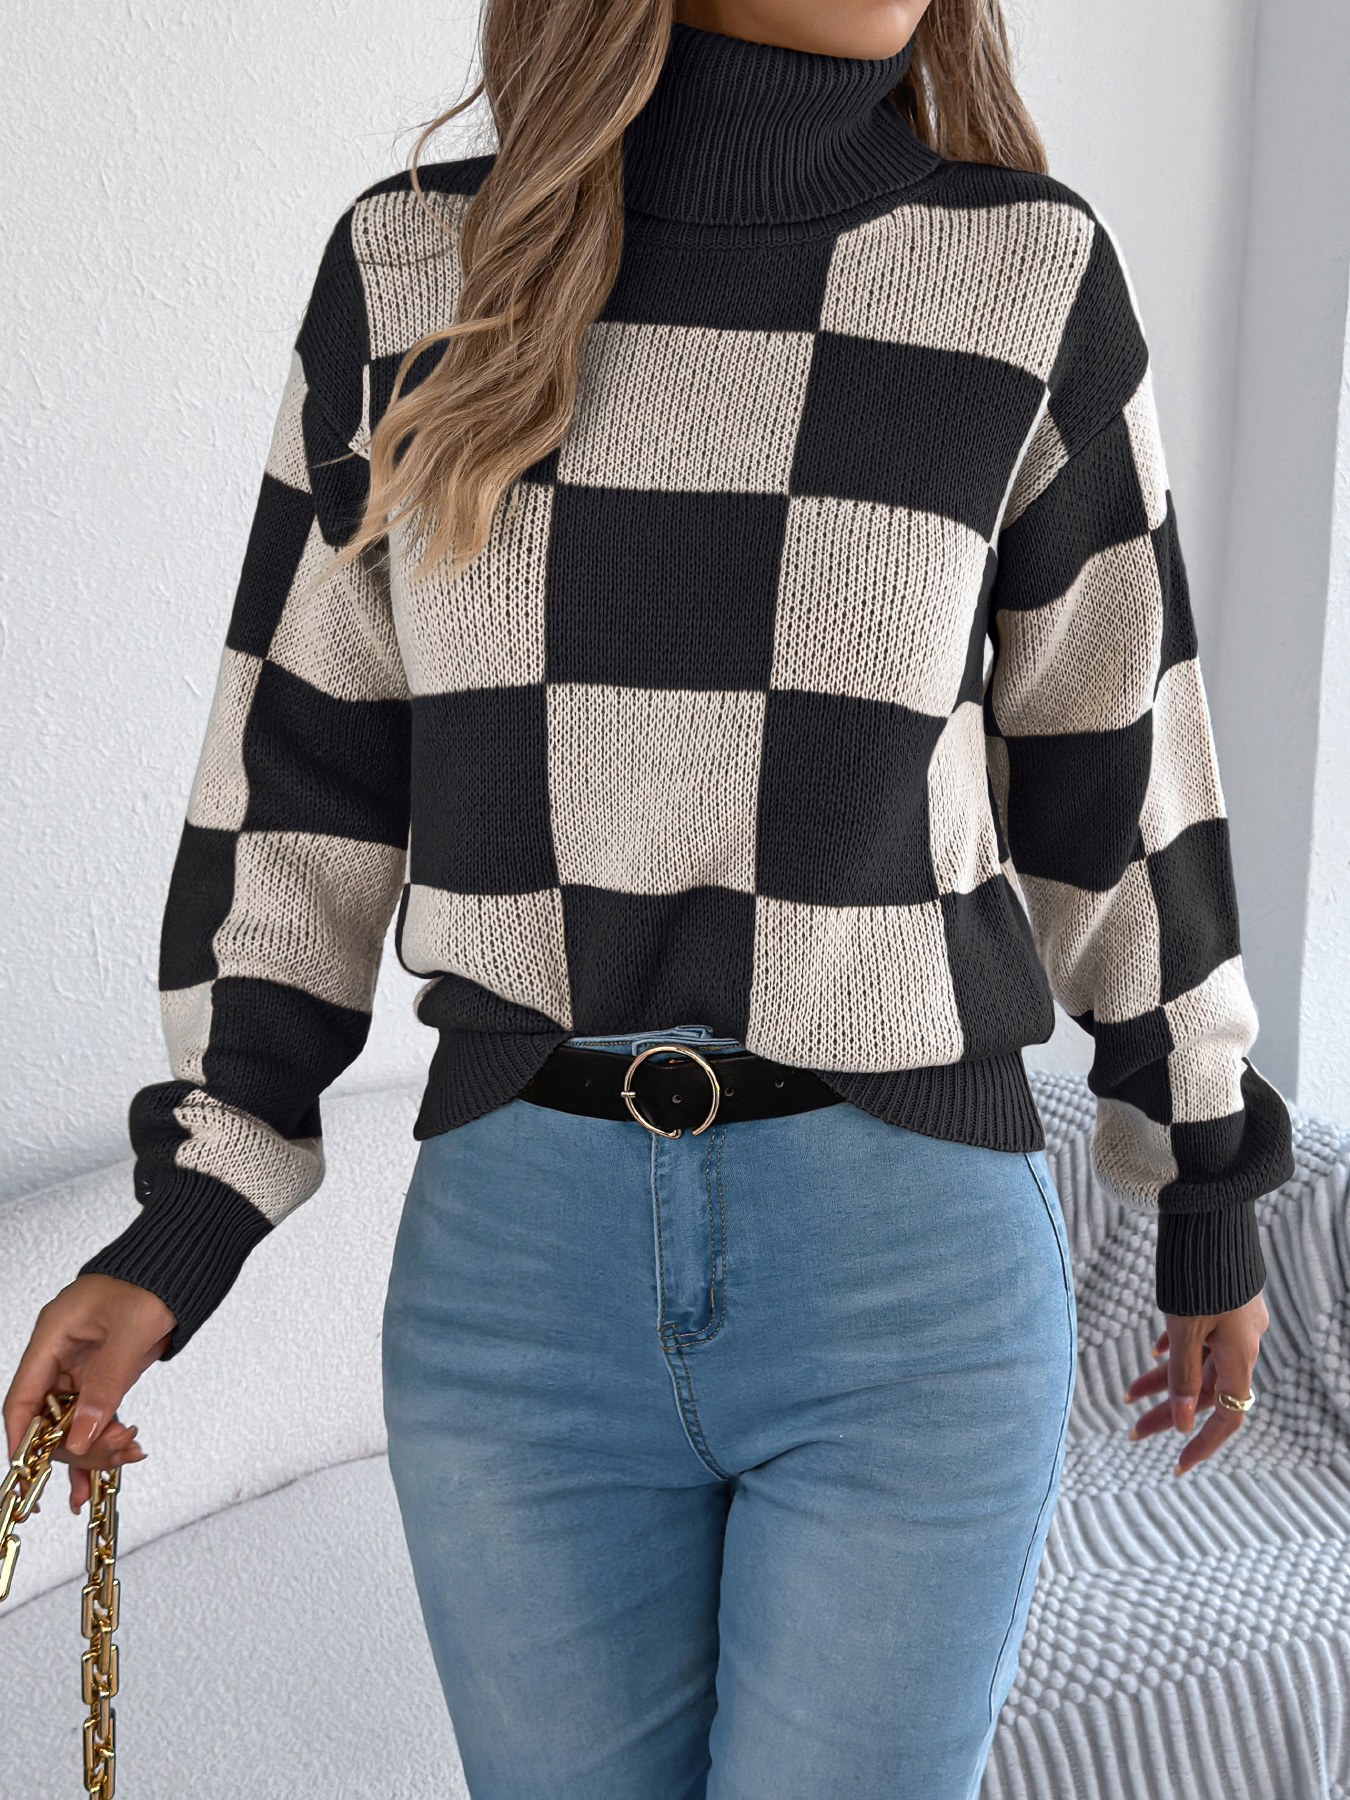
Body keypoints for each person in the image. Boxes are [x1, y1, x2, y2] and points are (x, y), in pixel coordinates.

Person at [5, 0, 1295, 1794]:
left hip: (902, 1271)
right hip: (515, 1279)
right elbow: (297, 778)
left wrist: (1206, 1167)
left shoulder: (1022, 273)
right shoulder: (411, 270)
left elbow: (1119, 770)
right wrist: (190, 1218)